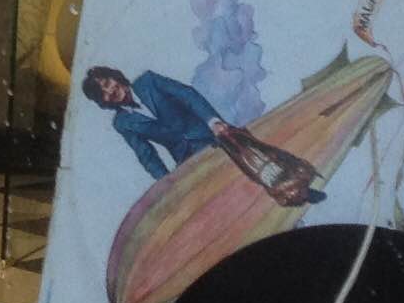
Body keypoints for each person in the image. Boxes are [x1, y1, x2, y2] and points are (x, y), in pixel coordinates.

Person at [81, 65, 323, 204]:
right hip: (186, 158)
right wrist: (166, 182)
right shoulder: (123, 123)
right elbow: (146, 155)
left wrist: (213, 121)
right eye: (103, 92)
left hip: (212, 134)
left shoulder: (149, 81)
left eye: (108, 83)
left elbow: (188, 96)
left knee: (256, 162)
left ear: (115, 77)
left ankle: (300, 191)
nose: (110, 91)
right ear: (103, 101)